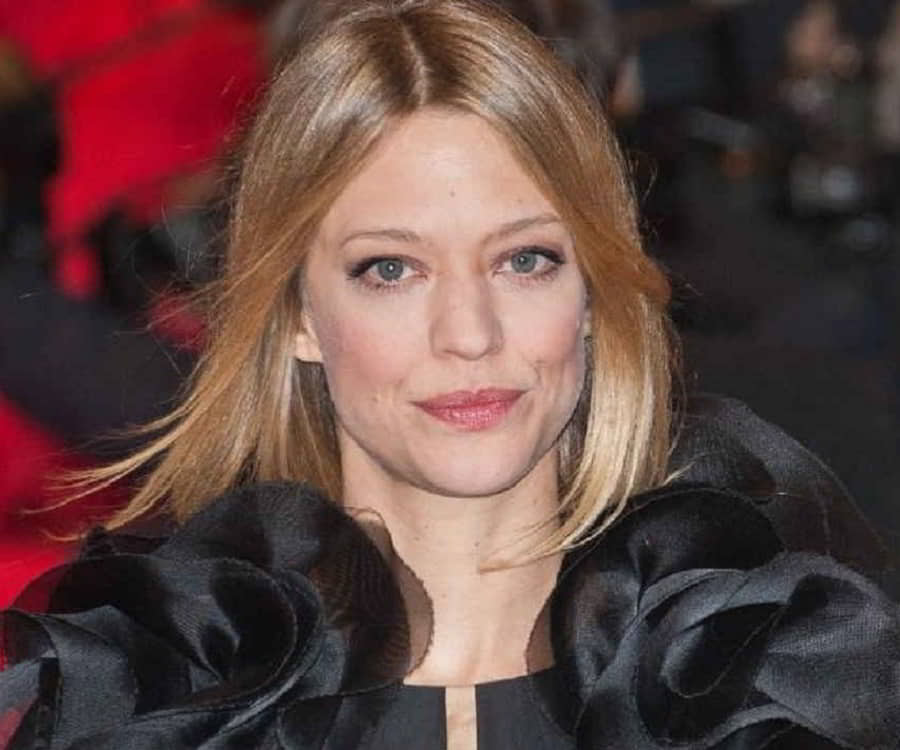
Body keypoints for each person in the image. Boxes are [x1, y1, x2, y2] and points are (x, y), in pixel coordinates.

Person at [1, 1, 898, 748]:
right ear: (298, 314)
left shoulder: (770, 675)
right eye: (391, 269)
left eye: (525, 260)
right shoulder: (160, 695)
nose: (469, 334)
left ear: (593, 290)